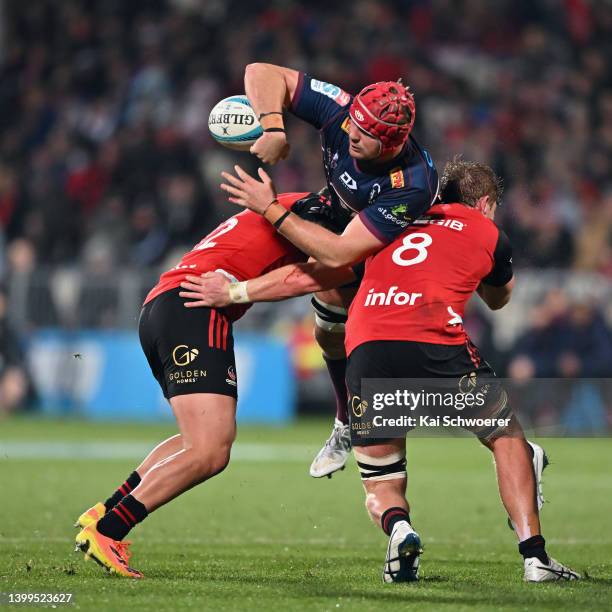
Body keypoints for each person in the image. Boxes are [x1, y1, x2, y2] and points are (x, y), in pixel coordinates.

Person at [182, 159, 579, 583]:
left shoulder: (388, 225)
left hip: (368, 346)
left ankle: (400, 530)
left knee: (382, 481)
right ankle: (535, 558)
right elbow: (499, 299)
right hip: (434, 341)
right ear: (484, 203)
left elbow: (309, 276)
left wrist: (235, 291)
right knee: (507, 437)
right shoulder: (487, 230)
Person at [73, 191, 340, 578]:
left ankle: (105, 511)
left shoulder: (283, 206)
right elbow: (312, 273)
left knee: (192, 441)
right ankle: (110, 530)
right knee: (210, 450)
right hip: (197, 309)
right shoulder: (313, 215)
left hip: (164, 306)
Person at [241, 63, 439, 477]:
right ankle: (346, 420)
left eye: (364, 135)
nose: (351, 134)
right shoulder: (345, 111)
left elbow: (338, 254)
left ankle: (507, 442)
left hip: (395, 258)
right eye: (353, 124)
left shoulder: (412, 182)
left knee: (375, 355)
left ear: (391, 144)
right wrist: (274, 128)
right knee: (327, 328)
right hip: (348, 224)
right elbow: (261, 71)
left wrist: (270, 207)